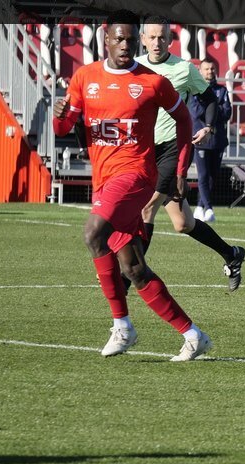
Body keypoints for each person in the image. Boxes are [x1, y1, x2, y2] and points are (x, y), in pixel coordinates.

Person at [52, 10, 212, 361]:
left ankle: (122, 326)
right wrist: (60, 114)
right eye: (119, 39)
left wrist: (180, 169)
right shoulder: (85, 77)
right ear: (106, 40)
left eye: (129, 39)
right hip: (104, 180)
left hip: (137, 175)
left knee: (93, 232)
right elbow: (62, 128)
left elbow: (184, 120)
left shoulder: (153, 82)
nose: (125, 45)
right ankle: (193, 334)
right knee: (134, 269)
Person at [136, 17, 245, 291]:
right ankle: (232, 254)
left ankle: (128, 276)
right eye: (152, 37)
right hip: (143, 152)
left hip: (172, 149)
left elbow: (209, 99)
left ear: (170, 40)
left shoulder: (184, 69)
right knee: (183, 223)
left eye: (162, 37)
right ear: (143, 39)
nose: (157, 42)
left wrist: (208, 126)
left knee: (147, 208)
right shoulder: (134, 67)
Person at [189, 59, 232, 223]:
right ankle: (208, 208)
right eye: (206, 69)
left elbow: (227, 113)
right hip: (200, 138)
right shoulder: (194, 90)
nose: (210, 72)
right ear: (200, 71)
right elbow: (196, 112)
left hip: (218, 138)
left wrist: (211, 110)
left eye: (212, 68)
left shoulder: (222, 90)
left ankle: (200, 207)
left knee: (213, 176)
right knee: (203, 175)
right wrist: (214, 108)